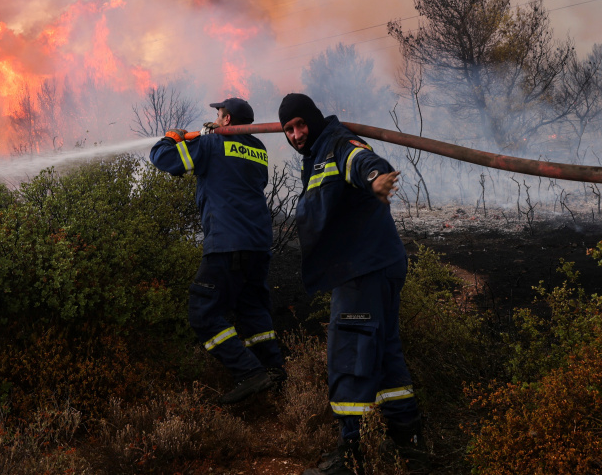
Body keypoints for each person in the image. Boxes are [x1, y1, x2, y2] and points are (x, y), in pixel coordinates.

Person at [278, 93, 430, 475]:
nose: (296, 134)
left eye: (300, 124)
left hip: (363, 270)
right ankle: (409, 442)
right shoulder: (318, 152)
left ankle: (352, 454)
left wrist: (376, 178)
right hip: (377, 265)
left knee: (349, 355)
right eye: (288, 129)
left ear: (313, 119)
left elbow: (360, 160)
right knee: (385, 354)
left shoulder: (337, 145)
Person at [149, 97, 285, 405]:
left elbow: (165, 159)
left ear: (227, 120)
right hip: (258, 244)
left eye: (219, 114)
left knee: (203, 312)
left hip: (226, 242)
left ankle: (249, 372)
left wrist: (171, 139)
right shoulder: (259, 150)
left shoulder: (211, 145)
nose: (216, 117)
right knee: (252, 310)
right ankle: (275, 373)